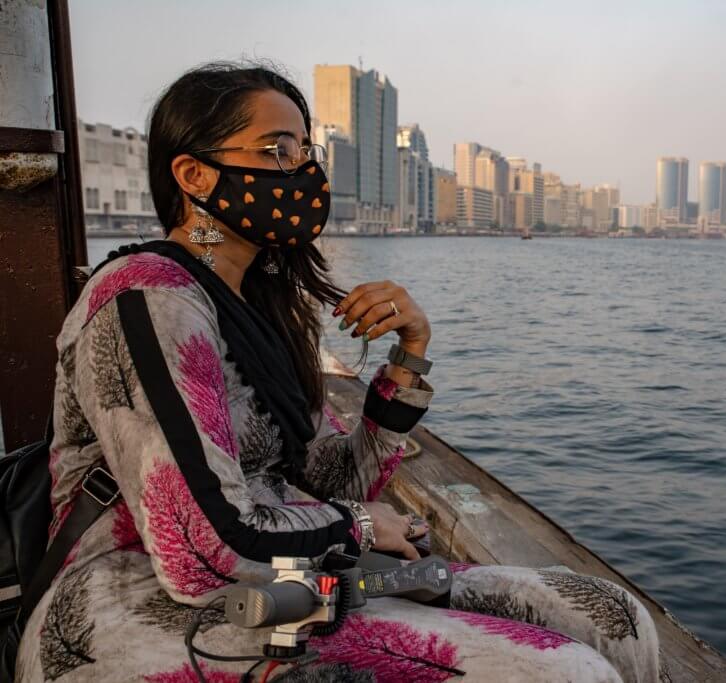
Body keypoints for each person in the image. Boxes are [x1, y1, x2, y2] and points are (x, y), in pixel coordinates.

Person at [15, 62, 658, 682]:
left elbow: (338, 478)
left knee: (618, 620)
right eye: (276, 152)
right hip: (133, 600)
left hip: (287, 577)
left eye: (302, 153)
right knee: (567, 672)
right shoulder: (149, 299)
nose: (301, 174)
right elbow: (199, 551)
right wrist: (358, 524)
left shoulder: (253, 307)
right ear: (194, 175)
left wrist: (409, 354)